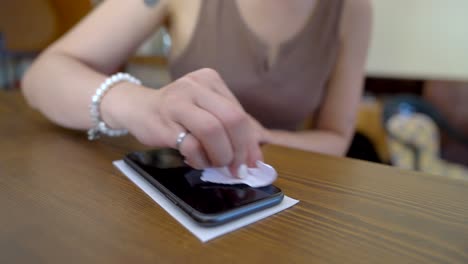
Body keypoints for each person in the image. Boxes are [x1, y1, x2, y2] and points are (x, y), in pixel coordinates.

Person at [21, 0, 372, 176]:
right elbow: (43, 76)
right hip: (185, 184)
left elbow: (337, 136)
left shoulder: (353, 10)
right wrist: (139, 105)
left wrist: (254, 137)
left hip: (287, 193)